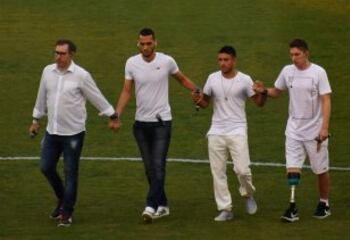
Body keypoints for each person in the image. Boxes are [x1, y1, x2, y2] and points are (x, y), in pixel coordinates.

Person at [109, 28, 199, 223]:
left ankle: (150, 205)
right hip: (140, 125)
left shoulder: (166, 61)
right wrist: (116, 114)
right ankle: (163, 204)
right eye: (142, 43)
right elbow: (126, 91)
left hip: (162, 123)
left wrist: (198, 91)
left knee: (158, 165)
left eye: (149, 43)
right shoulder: (131, 63)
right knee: (150, 169)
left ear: (155, 43)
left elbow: (182, 79)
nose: (145, 47)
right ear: (138, 44)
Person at [29, 39, 118, 227]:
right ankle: (62, 199)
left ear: (71, 55)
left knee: (70, 173)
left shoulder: (81, 76)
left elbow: (96, 96)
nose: (58, 57)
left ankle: (67, 212)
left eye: (62, 53)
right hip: (52, 132)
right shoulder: (47, 72)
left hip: (73, 134)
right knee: (45, 167)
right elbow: (41, 96)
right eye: (56, 53)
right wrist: (36, 120)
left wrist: (112, 114)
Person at [254, 39, 332, 222]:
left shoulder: (318, 72)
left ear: (306, 53)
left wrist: (324, 127)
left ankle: (324, 203)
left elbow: (326, 100)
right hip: (293, 131)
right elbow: (277, 91)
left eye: (297, 54)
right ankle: (292, 207)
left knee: (320, 170)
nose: (293, 58)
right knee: (292, 171)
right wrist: (263, 90)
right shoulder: (287, 71)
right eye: (291, 54)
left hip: (315, 132)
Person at [192, 46, 266, 221]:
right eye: (220, 60)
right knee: (217, 171)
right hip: (216, 130)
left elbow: (259, 103)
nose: (222, 63)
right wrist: (197, 99)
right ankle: (225, 208)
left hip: (237, 129)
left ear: (234, 60)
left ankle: (248, 194)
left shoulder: (244, 79)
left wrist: (262, 92)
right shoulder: (212, 78)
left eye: (226, 60)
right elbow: (205, 103)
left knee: (242, 170)